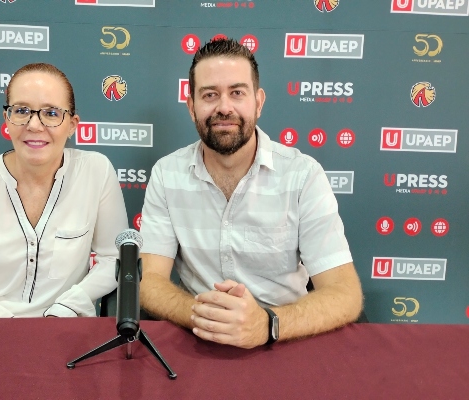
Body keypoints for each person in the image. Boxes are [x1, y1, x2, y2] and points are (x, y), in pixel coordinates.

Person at [139, 39, 363, 348]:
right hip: (198, 337)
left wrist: (266, 324)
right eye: (209, 95)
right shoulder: (167, 174)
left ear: (258, 102)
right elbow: (149, 281)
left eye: (237, 93)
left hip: (283, 339)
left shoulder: (303, 175)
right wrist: (208, 317)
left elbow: (345, 293)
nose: (224, 107)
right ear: (191, 107)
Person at [0, 63, 128, 317]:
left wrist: (69, 305)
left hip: (66, 326)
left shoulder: (96, 171)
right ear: (7, 119)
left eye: (51, 113)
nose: (34, 125)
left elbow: (114, 258)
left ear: (72, 124)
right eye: (22, 110)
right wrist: (5, 326)